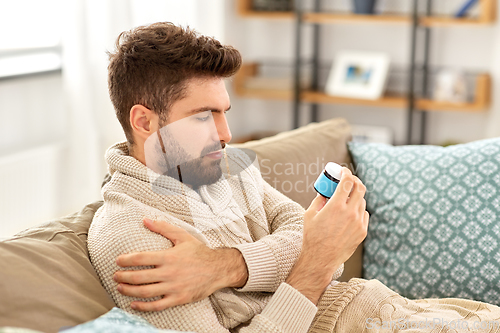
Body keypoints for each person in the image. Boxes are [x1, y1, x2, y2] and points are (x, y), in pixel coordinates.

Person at [88, 22, 500, 333]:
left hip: (384, 307)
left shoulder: (220, 167)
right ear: (144, 121)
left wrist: (226, 267)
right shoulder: (129, 237)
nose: (226, 136)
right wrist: (314, 265)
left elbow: (301, 231)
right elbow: (318, 250)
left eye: (223, 113)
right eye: (201, 117)